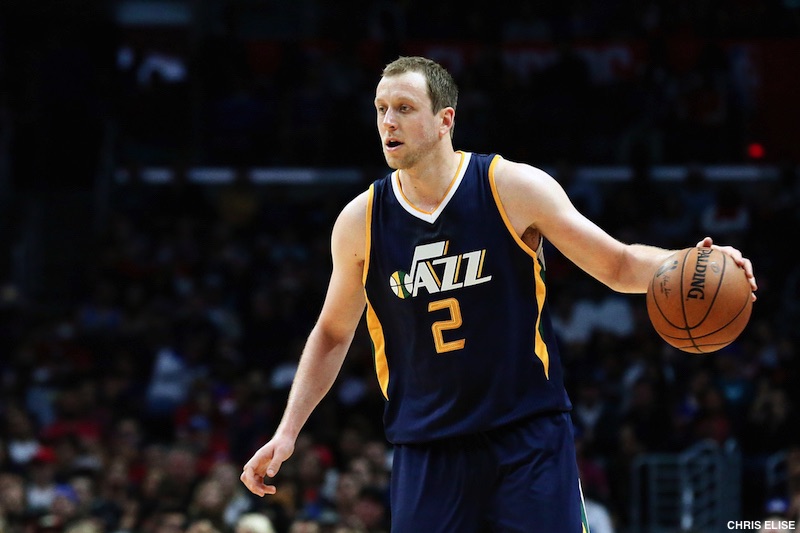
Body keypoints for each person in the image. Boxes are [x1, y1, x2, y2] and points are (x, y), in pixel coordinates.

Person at [240, 56, 758, 532]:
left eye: (404, 108)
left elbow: (618, 264)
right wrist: (287, 432)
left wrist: (691, 263)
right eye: (381, 109)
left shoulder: (511, 187)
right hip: (427, 448)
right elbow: (332, 333)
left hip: (527, 437)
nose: (388, 122)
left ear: (445, 120)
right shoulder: (361, 222)